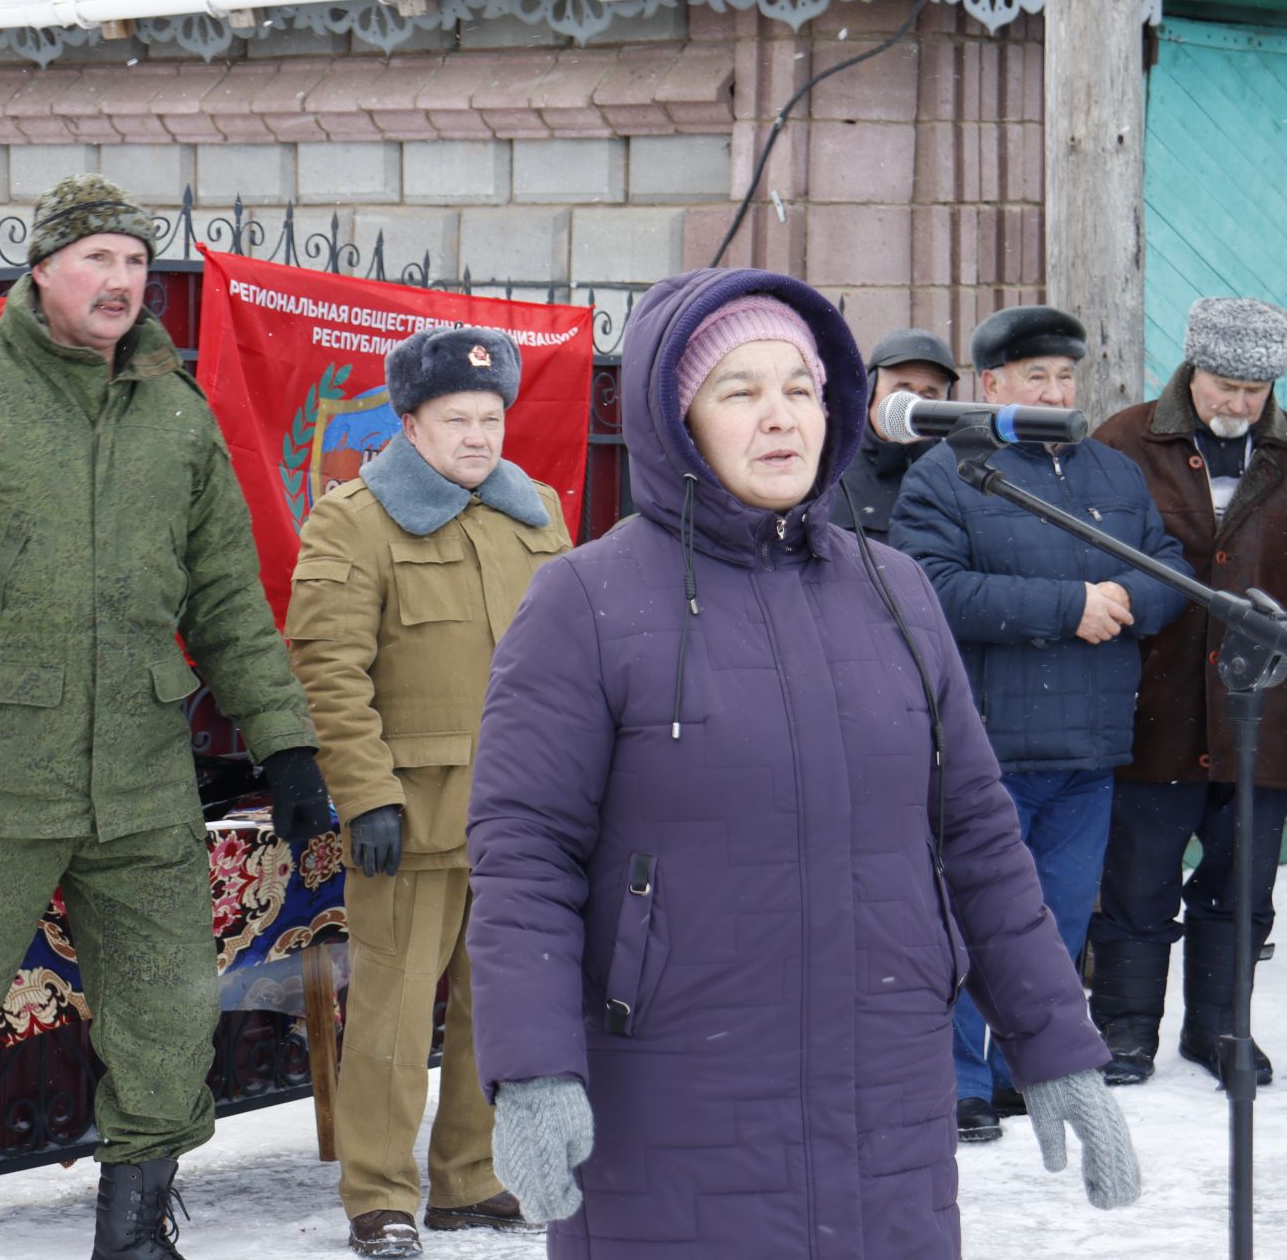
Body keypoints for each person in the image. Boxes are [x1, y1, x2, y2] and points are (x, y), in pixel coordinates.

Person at [465, 270, 1139, 1260]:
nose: (780, 417)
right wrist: (533, 1069)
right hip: (677, 1096)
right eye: (739, 391)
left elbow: (979, 838)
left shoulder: (896, 588)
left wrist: (1057, 1048)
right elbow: (526, 855)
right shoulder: (586, 600)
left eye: (801, 387)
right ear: (675, 418)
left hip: (887, 1104)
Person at [0, 174, 332, 1260]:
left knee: (171, 1015)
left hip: (139, 776)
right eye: (97, 260)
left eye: (135, 263)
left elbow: (226, 600)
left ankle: (132, 1233)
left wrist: (291, 746)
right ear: (43, 270)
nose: (121, 281)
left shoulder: (176, 414)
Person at [286, 326, 572, 1257]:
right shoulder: (354, 520)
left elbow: (578, 661)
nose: (480, 436)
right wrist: (365, 794)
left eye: (491, 418)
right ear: (409, 423)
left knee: (502, 1010)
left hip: (527, 811)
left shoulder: (536, 518)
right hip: (412, 816)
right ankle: (380, 1195)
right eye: (458, 419)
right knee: (392, 1018)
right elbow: (329, 669)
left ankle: (468, 1178)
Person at [890, 305, 1191, 1142]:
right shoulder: (950, 472)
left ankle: (1026, 1068)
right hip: (989, 748)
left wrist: (1130, 599)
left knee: (1055, 922)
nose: (1056, 390)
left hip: (1089, 748)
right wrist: (1069, 608)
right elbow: (933, 589)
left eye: (1065, 375)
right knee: (970, 920)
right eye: (1036, 377)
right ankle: (958, 1083)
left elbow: (1169, 565)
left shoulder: (1113, 472)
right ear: (993, 387)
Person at [1089, 297, 1287, 1088]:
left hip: (1265, 713)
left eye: (1257, 388)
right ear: (1192, 367)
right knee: (1136, 882)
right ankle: (1126, 1032)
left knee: (1242, 887)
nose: (1239, 403)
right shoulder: (1126, 441)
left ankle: (1221, 1031)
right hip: (1152, 705)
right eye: (1225, 384)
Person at [837, 327, 957, 540]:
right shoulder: (832, 471)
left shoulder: (960, 476)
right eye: (902, 391)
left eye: (929, 396)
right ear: (870, 391)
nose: (912, 405)